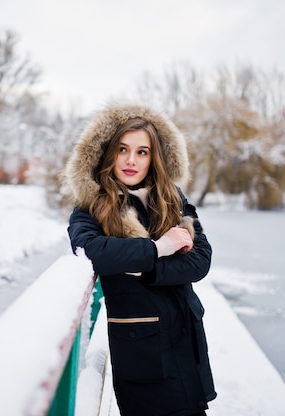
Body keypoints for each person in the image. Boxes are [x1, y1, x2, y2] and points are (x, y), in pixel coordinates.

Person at [64, 102, 217, 416]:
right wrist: (160, 248)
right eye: (123, 149)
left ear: (154, 157)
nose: (131, 160)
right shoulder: (91, 205)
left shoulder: (173, 199)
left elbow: (200, 260)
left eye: (142, 151)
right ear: (108, 152)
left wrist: (144, 270)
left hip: (187, 343)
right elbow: (90, 251)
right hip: (143, 352)